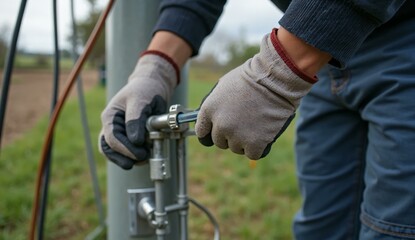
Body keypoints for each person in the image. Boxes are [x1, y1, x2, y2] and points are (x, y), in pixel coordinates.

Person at [99, 0, 415, 239]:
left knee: (393, 228)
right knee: (321, 227)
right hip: (325, 58)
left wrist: (277, 73)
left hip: (399, 36)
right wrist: (157, 66)